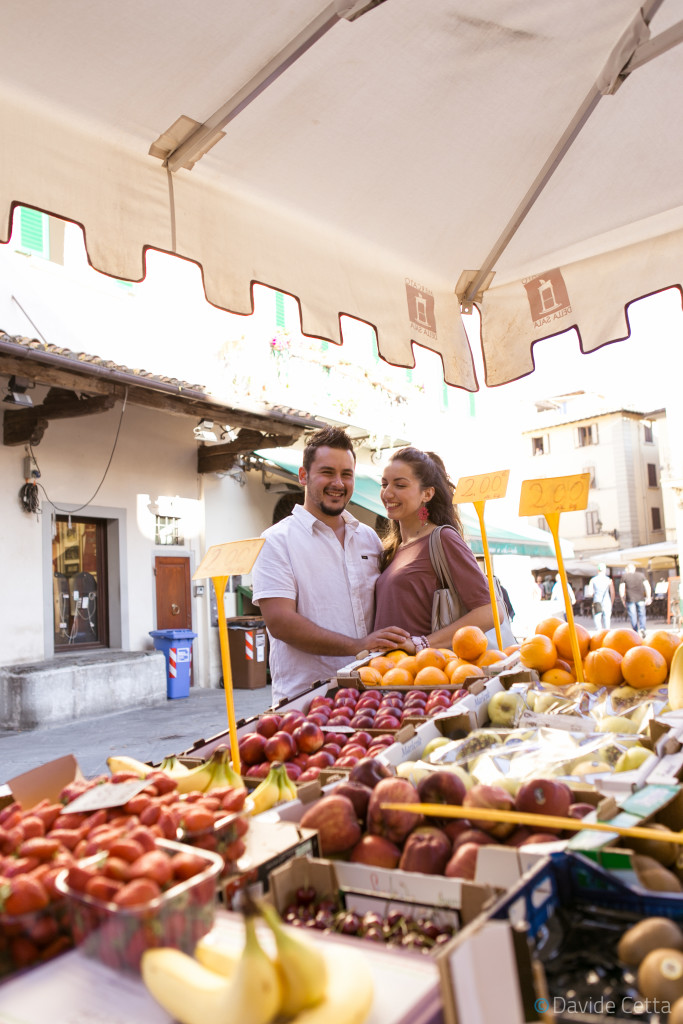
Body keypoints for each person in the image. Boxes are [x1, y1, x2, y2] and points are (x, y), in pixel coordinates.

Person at [251, 426, 410, 701]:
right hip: (307, 700)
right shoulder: (276, 541)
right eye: (327, 472)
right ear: (303, 476)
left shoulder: (368, 538)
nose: (338, 482)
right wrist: (358, 646)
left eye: (346, 474)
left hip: (370, 691)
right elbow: (280, 622)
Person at [373, 447, 501, 650]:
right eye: (384, 484)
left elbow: (491, 612)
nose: (387, 493)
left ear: (427, 493)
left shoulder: (442, 538)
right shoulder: (392, 548)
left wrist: (420, 644)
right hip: (388, 674)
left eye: (400, 485)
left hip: (428, 674)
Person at [619, 562, 652, 637]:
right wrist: (648, 597)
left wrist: (623, 599)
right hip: (640, 598)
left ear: (627, 569)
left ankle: (635, 631)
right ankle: (643, 629)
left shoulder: (625, 576)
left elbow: (621, 589)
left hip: (630, 599)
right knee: (642, 615)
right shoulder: (641, 575)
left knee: (633, 615)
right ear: (634, 568)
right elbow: (647, 586)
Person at [585, 563, 615, 630]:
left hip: (597, 600)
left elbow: (590, 593)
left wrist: (594, 595)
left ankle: (599, 632)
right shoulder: (609, 580)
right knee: (607, 618)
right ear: (604, 570)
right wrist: (611, 602)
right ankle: (607, 632)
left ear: (598, 570)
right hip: (607, 601)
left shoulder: (593, 580)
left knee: (597, 617)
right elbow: (612, 592)